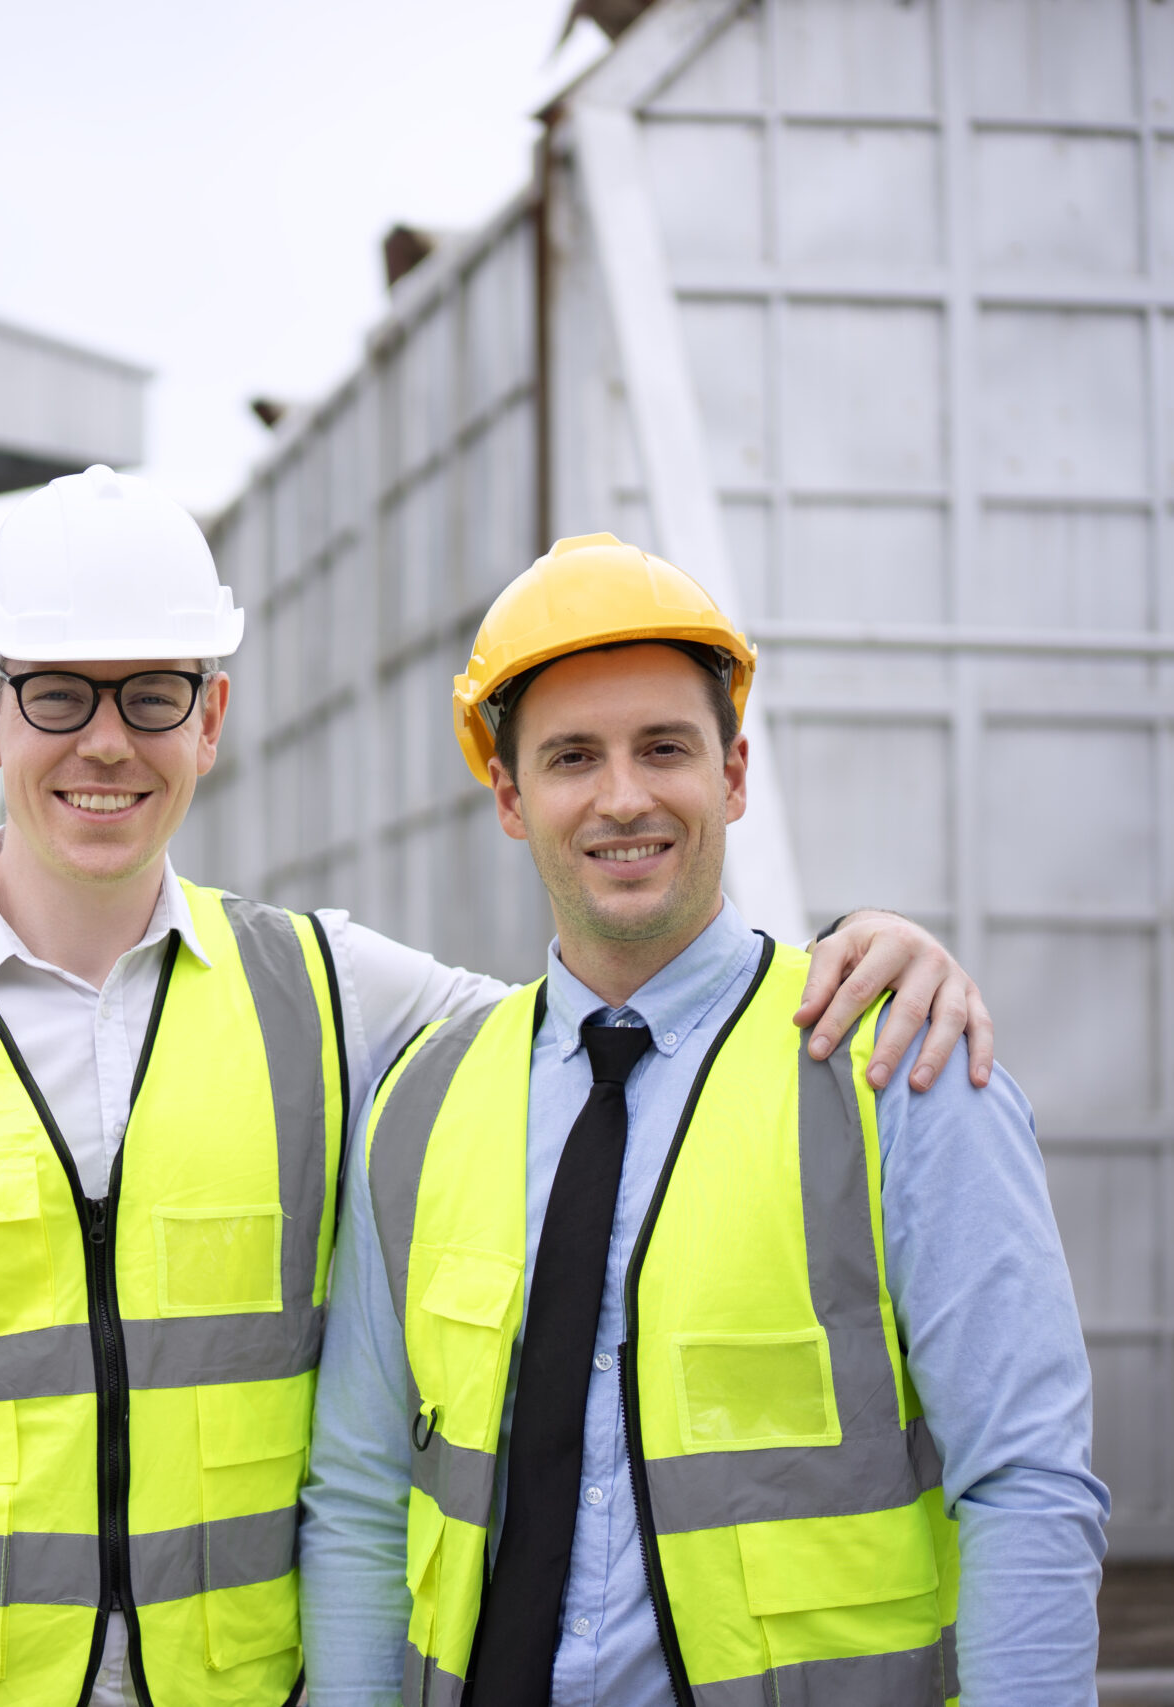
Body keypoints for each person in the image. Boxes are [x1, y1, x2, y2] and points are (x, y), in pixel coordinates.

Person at [0, 473, 995, 1707]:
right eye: (56, 692)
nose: (106, 741)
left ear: (211, 718)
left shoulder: (332, 995)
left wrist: (864, 951)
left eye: (153, 693)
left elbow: (619, 1006)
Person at [299, 533, 1105, 1707]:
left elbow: (1026, 1487)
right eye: (573, 756)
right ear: (511, 797)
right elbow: (363, 1503)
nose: (623, 795)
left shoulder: (897, 1064)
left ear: (731, 776)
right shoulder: (418, 1104)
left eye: (663, 748)